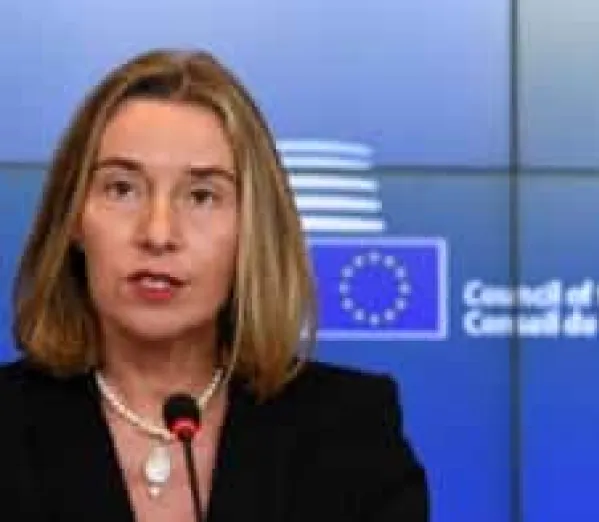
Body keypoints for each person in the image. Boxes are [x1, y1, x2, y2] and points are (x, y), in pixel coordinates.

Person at [0, 49, 428, 521]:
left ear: (251, 229)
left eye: (201, 196)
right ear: (74, 221)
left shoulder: (351, 432)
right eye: (122, 189)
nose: (158, 233)